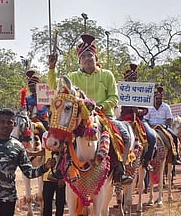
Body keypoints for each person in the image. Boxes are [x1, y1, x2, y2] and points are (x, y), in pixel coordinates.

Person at [47, 34, 132, 185]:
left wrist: (100, 107)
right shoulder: (72, 77)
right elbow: (54, 86)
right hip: (80, 118)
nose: (87, 58)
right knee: (61, 132)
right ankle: (61, 169)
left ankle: (120, 170)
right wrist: (52, 68)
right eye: (84, 56)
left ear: (95, 57)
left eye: (90, 55)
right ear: (79, 60)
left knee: (124, 135)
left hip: (103, 116)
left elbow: (113, 98)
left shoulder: (107, 75)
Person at [0, 108, 56, 216]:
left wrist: (45, 167)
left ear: (14, 125)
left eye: (9, 122)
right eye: (2, 122)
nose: (5, 125)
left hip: (8, 199)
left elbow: (29, 172)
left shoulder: (17, 147)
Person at [144, 86, 181, 165]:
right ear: (154, 99)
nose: (159, 100)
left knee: (174, 137)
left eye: (160, 99)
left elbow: (169, 119)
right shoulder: (149, 107)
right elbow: (146, 119)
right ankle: (145, 157)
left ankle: (175, 157)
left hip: (162, 126)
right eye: (157, 99)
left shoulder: (166, 107)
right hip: (151, 126)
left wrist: (166, 126)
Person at [41, 131, 66, 216]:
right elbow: (43, 152)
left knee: (60, 204)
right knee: (47, 204)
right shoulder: (45, 135)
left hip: (61, 178)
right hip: (47, 177)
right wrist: (32, 153)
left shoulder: (65, 136)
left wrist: (64, 178)